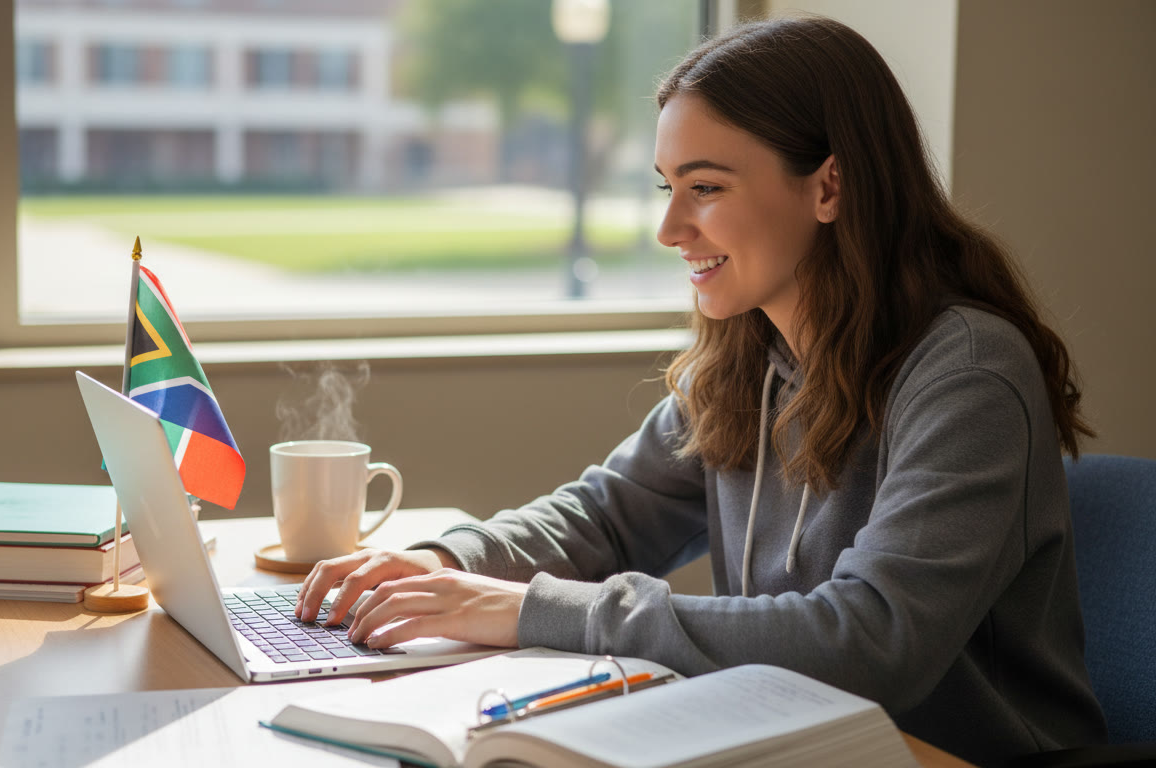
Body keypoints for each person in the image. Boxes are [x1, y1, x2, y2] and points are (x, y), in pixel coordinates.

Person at [294, 15, 1106, 765]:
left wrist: (520, 608)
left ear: (829, 186)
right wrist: (436, 564)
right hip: (790, 742)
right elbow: (606, 516)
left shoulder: (968, 375)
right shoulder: (749, 353)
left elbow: (869, 641)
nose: (669, 229)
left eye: (706, 187)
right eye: (665, 186)